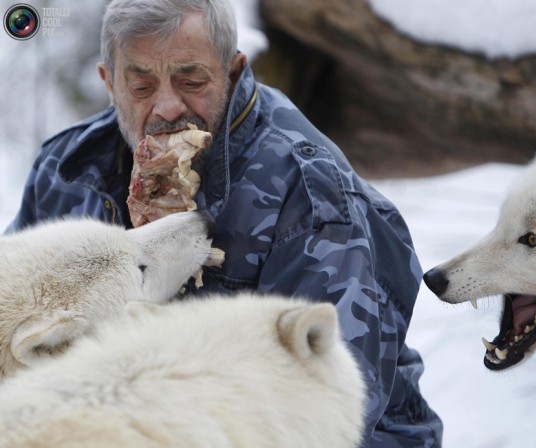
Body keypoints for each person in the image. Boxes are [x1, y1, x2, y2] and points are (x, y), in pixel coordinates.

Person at [6, 0, 443, 446]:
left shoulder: (312, 194)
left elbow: (330, 401)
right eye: (140, 85)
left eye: (191, 79)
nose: (168, 107)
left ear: (233, 72)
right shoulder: (64, 169)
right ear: (109, 83)